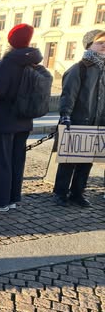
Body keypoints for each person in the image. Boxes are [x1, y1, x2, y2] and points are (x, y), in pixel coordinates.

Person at [0, 24, 42, 212]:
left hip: (6, 118)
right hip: (24, 119)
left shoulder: (9, 62)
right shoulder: (33, 61)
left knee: (0, 160)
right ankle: (12, 198)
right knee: (16, 159)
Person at [53, 29, 105, 207]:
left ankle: (77, 192)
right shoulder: (79, 68)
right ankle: (60, 192)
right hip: (77, 121)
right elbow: (69, 94)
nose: (104, 45)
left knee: (86, 162)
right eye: (100, 42)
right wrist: (65, 115)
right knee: (69, 161)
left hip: (97, 122)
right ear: (89, 45)